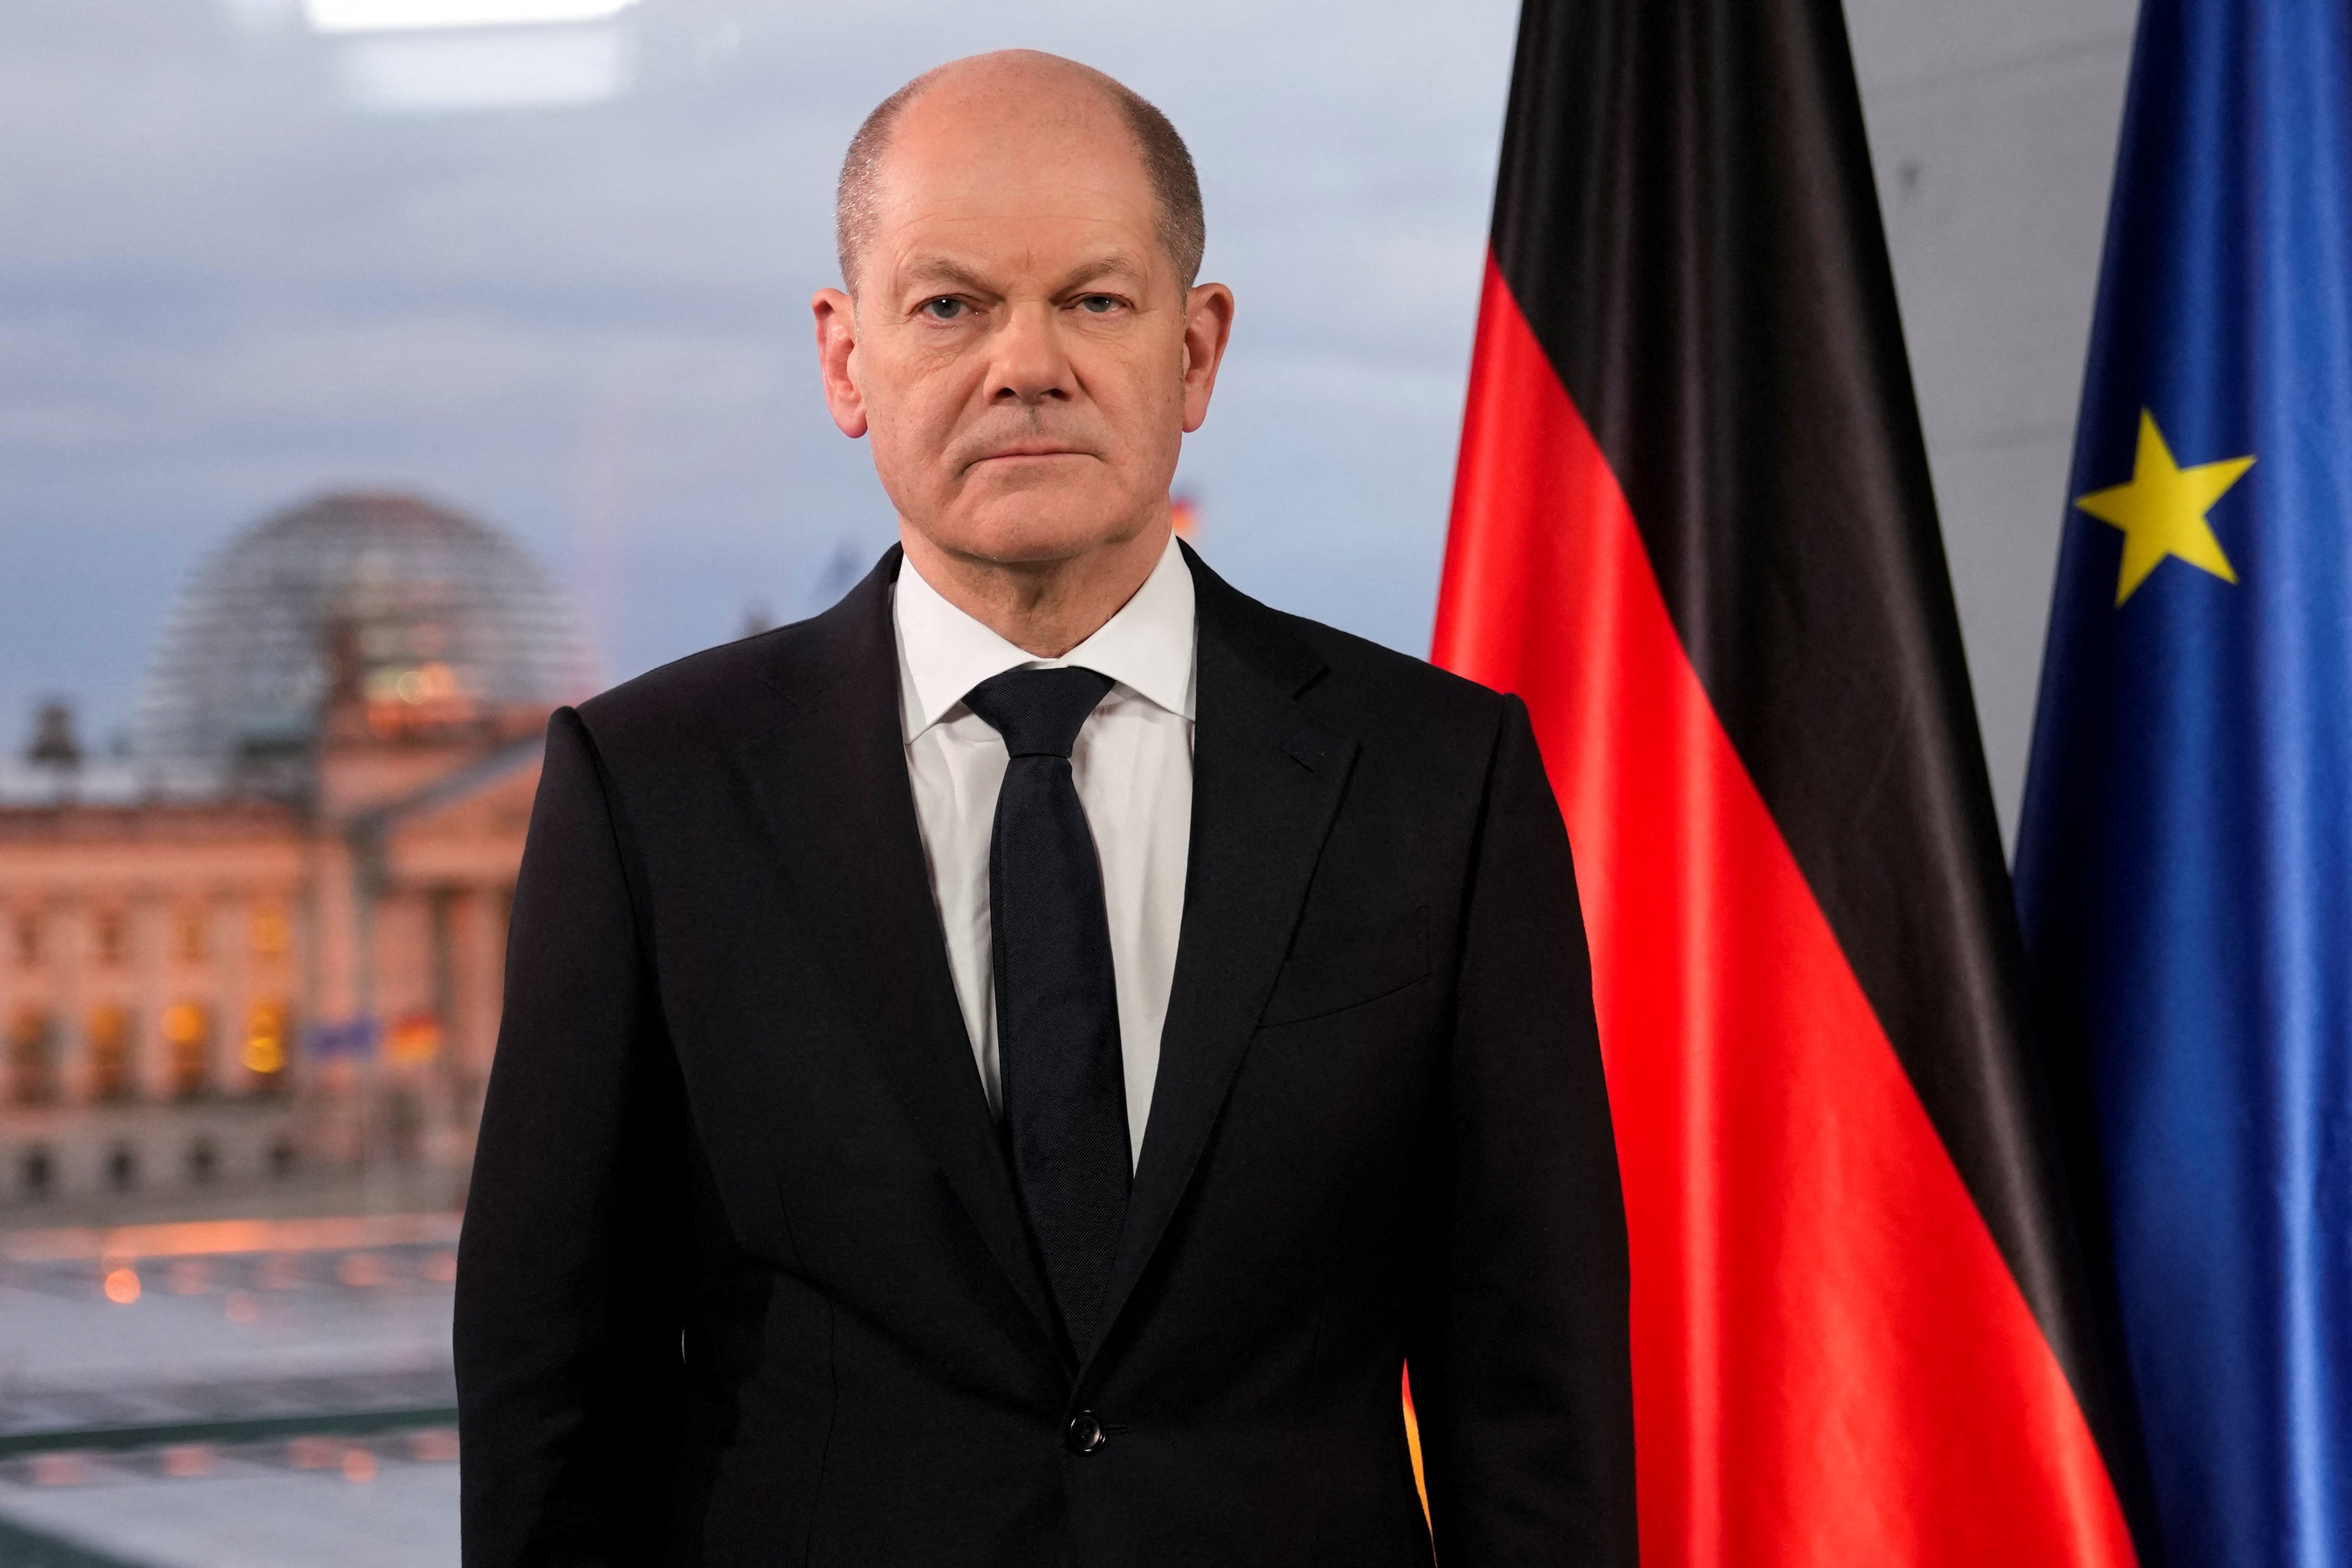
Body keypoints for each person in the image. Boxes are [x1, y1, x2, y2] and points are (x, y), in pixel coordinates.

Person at [454, 49, 1634, 1567]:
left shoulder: (1438, 779)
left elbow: (1532, 1399)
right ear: (844, 358)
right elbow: (558, 1398)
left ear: (1196, 350)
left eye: (1093, 299)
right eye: (949, 305)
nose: (1025, 364)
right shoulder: (650, 791)